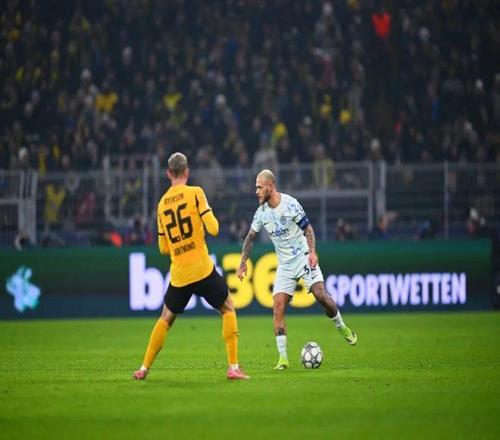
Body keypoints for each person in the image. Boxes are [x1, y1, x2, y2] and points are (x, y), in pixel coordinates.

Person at [133, 152, 249, 380]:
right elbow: (214, 229)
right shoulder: (196, 193)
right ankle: (233, 368)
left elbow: (163, 248)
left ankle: (144, 368)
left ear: (168, 173)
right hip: (202, 269)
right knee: (227, 307)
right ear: (187, 172)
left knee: (165, 318)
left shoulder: (161, 205)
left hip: (180, 274)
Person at [236, 169, 357, 370]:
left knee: (321, 295)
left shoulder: (290, 204)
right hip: (285, 266)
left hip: (303, 257)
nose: (256, 191)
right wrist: (242, 264)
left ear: (270, 186)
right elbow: (250, 238)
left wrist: (312, 252)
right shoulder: (261, 213)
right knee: (278, 307)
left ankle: (342, 327)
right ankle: (283, 359)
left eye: (259, 187)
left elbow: (308, 229)